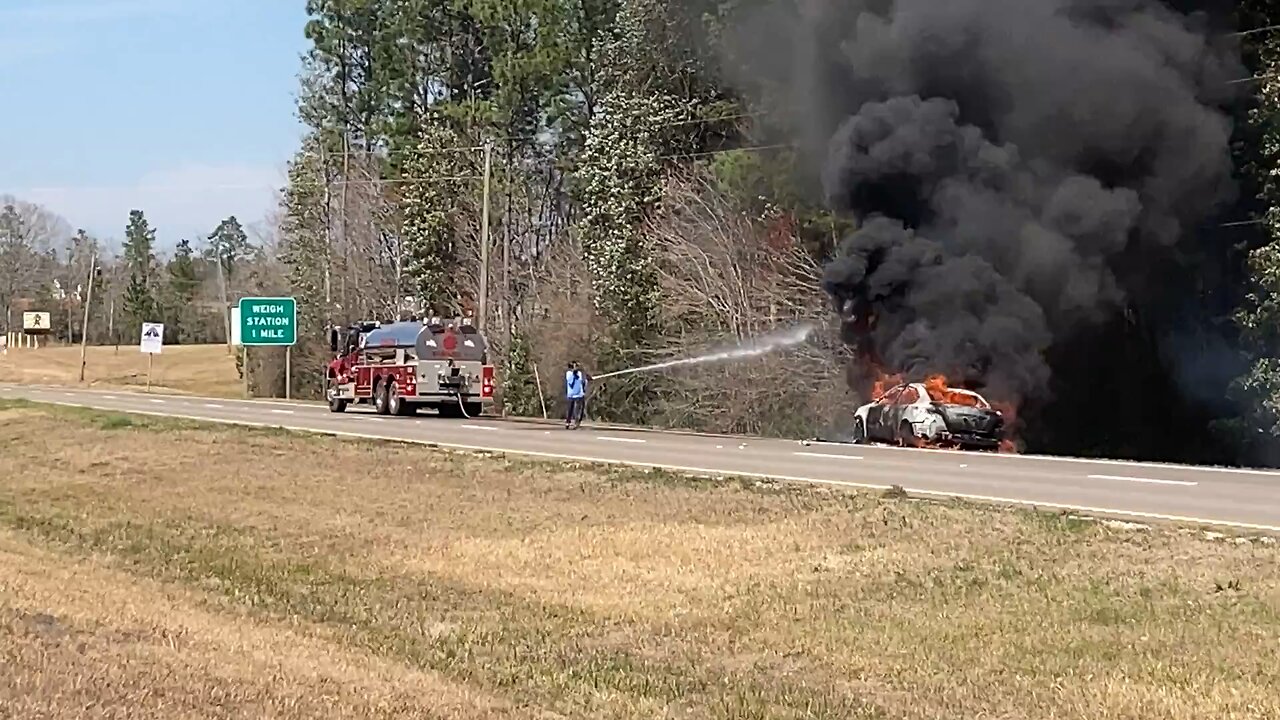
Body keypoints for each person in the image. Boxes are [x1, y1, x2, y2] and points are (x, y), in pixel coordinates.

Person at [565, 361, 587, 429]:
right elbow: (571, 382)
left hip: (579, 394)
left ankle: (576, 423)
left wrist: (586, 380)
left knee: (578, 410)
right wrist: (574, 375)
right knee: (570, 409)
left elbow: (582, 382)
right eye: (575, 366)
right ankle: (568, 422)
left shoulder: (579, 373)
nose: (576, 368)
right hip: (571, 394)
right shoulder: (568, 374)